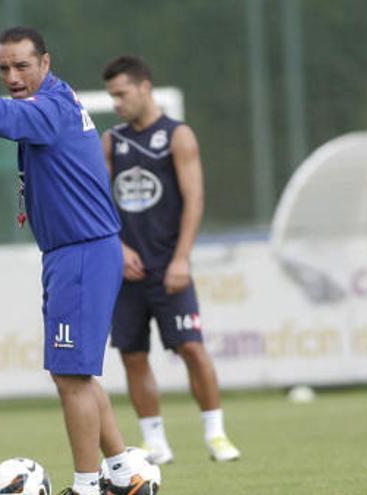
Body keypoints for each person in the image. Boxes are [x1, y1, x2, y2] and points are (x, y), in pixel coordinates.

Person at [0, 27, 151, 495]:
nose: (13, 76)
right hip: (74, 252)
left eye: (22, 65)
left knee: (70, 376)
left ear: (45, 62)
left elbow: (5, 116)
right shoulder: (55, 101)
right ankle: (125, 476)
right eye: (4, 68)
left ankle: (86, 487)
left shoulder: (50, 108)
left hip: (81, 253)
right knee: (75, 373)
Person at [100, 54, 240, 464]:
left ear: (145, 88)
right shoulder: (113, 142)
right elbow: (98, 201)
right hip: (126, 270)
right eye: (112, 96)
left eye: (122, 94)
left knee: (191, 348)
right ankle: (155, 442)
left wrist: (182, 259)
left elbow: (194, 199)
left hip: (168, 266)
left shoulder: (177, 136)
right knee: (132, 354)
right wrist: (118, 248)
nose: (117, 103)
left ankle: (215, 433)